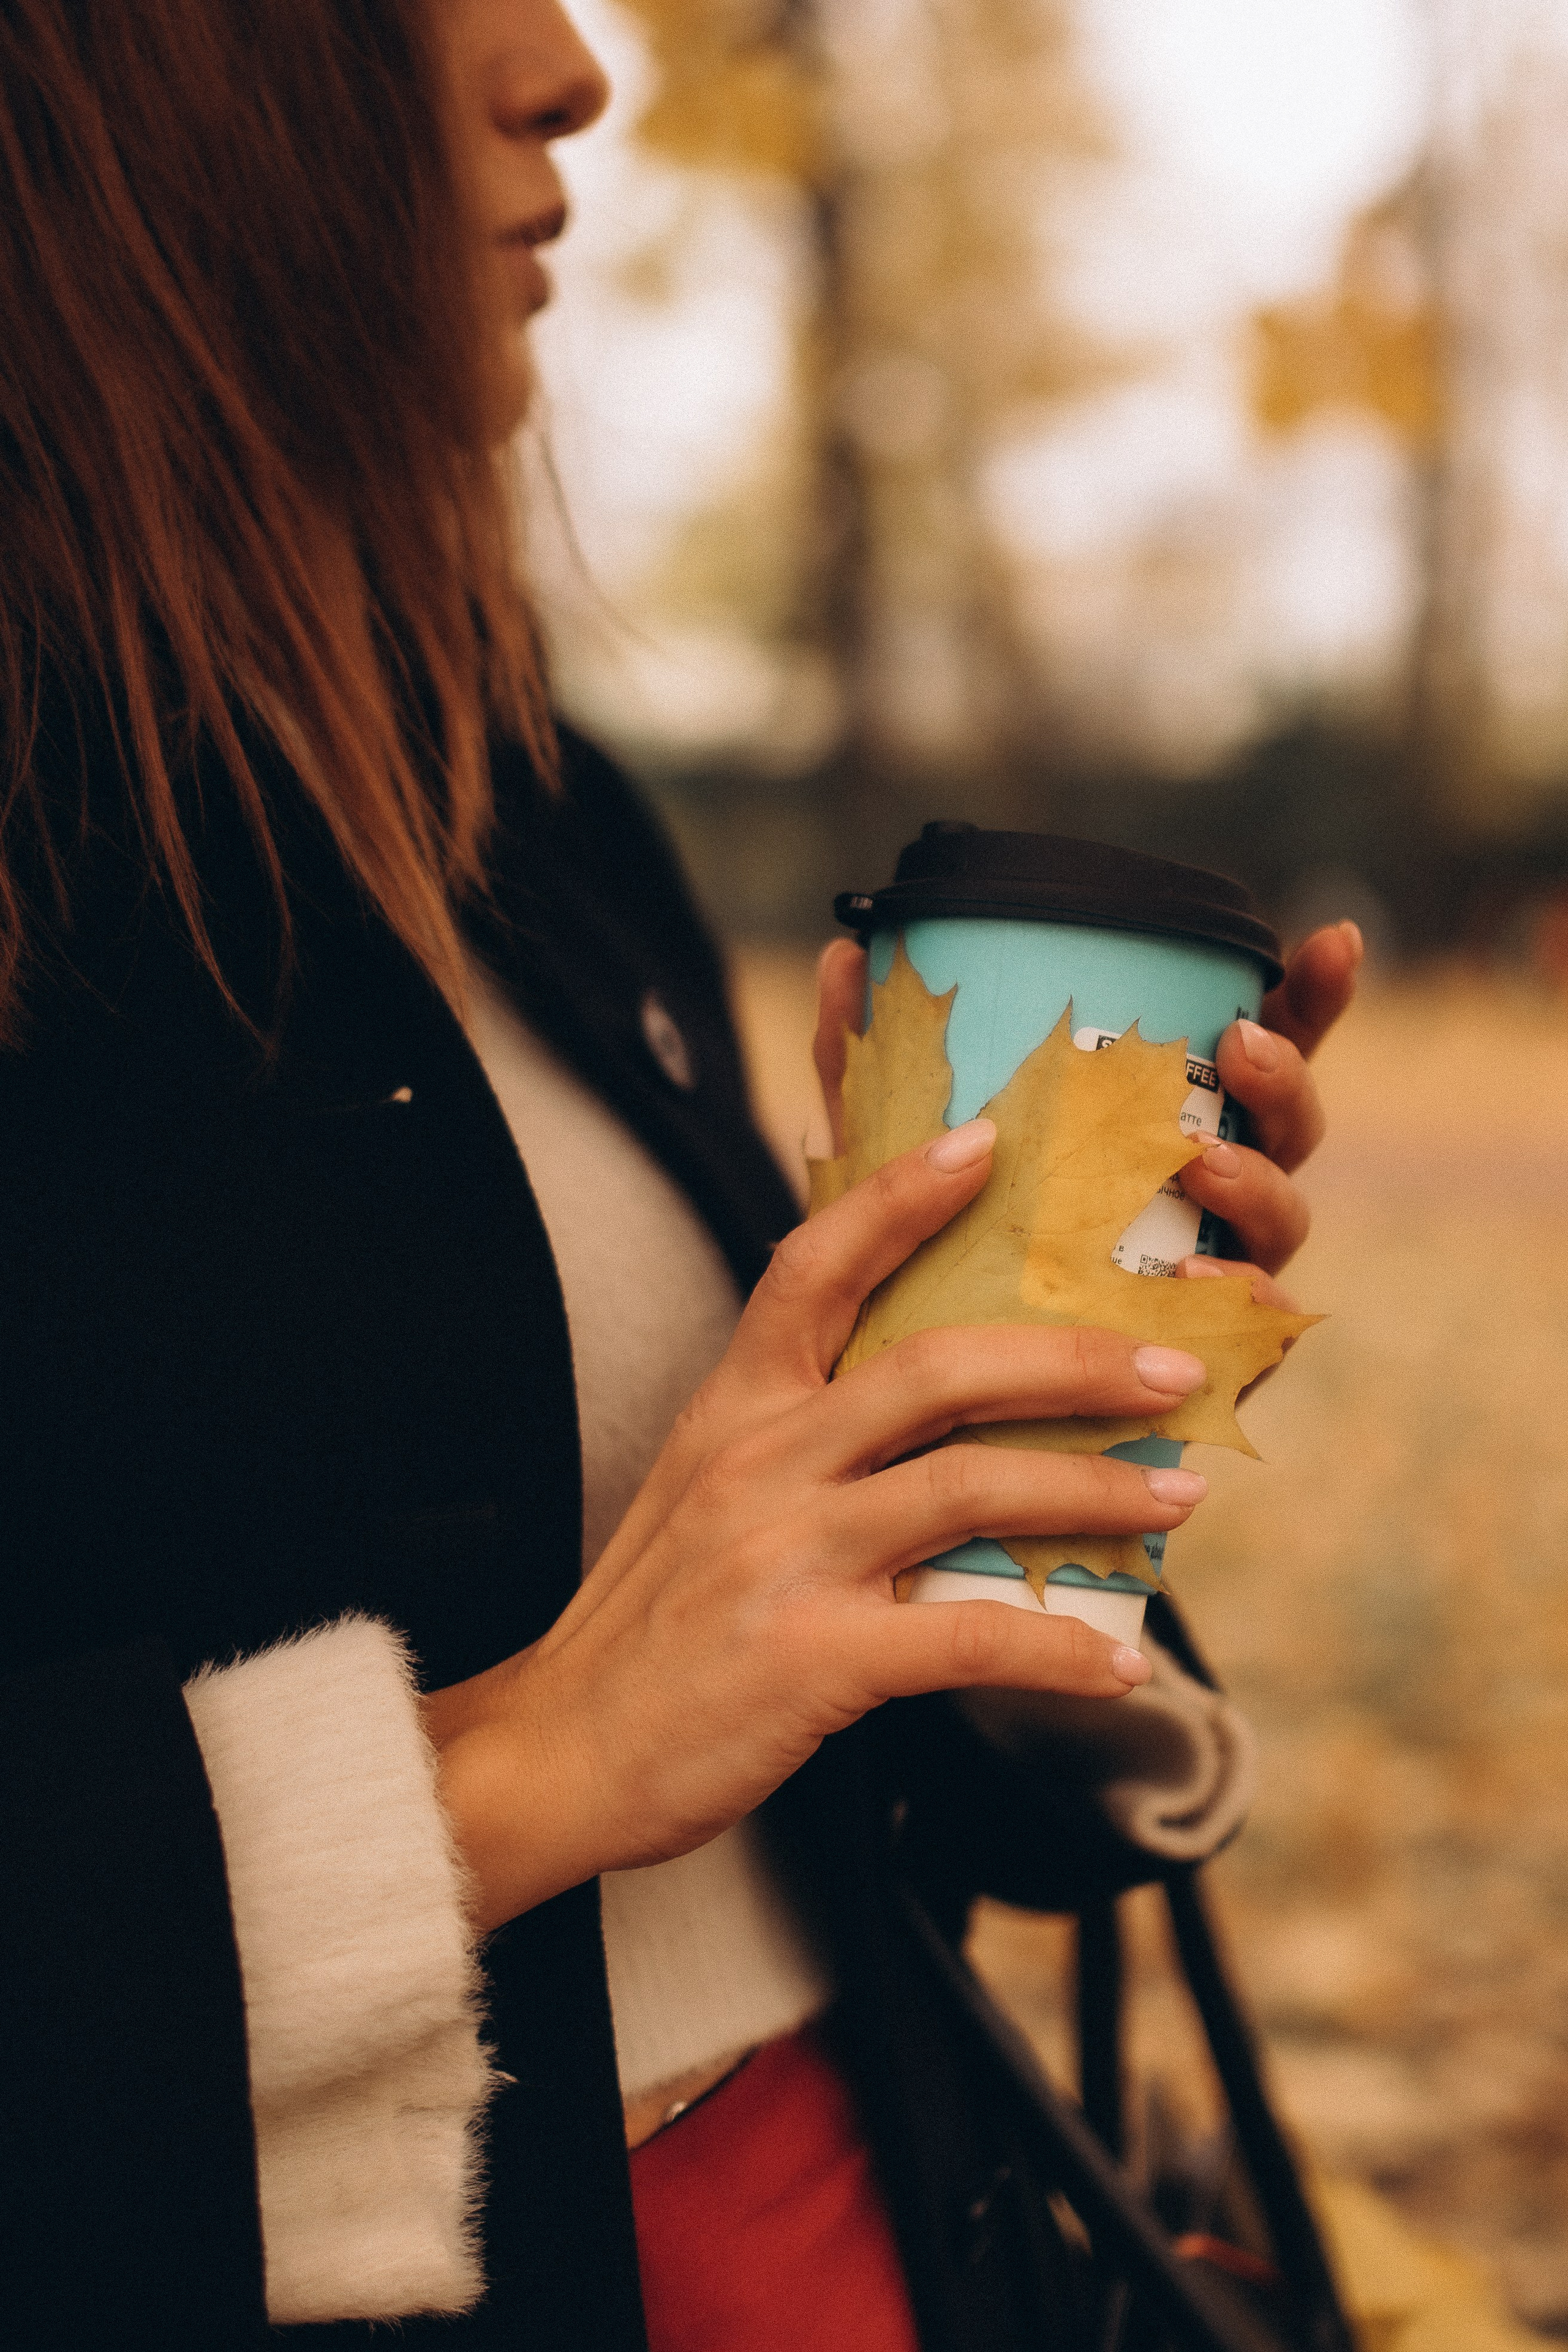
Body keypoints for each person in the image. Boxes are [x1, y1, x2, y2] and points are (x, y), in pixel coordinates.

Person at [0, 2, 1362, 2347]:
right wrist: (521, 1764)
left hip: (877, 2228)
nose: (568, 66)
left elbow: (799, 1695)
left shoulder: (526, 811)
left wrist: (1008, 1450)